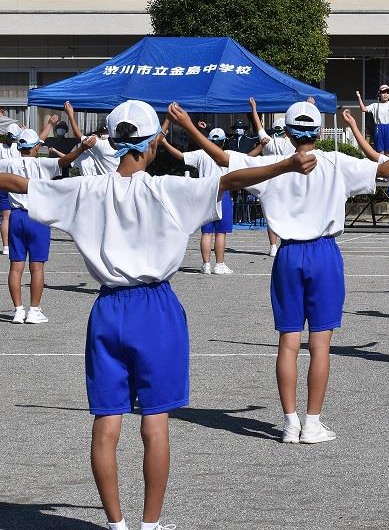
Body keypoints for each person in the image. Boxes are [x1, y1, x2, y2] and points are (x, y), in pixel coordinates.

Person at [0, 99, 314, 530]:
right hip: (157, 308)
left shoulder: (84, 189)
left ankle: (115, 523)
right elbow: (230, 180)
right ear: (151, 144)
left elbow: (17, 183)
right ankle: (150, 524)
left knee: (106, 420)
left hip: (108, 308)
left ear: (113, 142)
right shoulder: (168, 188)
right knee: (155, 422)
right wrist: (286, 167)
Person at [172, 100, 389, 444]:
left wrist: (189, 126)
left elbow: (223, 159)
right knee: (320, 344)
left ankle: (289, 422)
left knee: (288, 342)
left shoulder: (272, 166)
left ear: (289, 134)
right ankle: (312, 423)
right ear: (320, 132)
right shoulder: (335, 162)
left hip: (287, 253)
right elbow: (384, 171)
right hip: (324, 254)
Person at [3, 121, 93, 324]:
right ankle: (34, 311)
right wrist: (84, 147)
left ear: (19, 147)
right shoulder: (43, 163)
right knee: (37, 267)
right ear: (35, 147)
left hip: (16, 216)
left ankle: (18, 311)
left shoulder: (7, 163)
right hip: (38, 215)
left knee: (15, 267)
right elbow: (66, 161)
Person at [158, 125, 240, 275]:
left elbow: (180, 156)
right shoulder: (227, 154)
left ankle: (206, 264)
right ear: (223, 142)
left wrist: (164, 142)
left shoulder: (201, 154)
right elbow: (250, 158)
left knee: (206, 233)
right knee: (221, 233)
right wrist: (261, 145)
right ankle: (219, 264)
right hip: (223, 193)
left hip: (204, 195)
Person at [250, 96, 294, 257]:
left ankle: (273, 246)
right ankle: (286, 241)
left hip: (269, 181)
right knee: (287, 213)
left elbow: (258, 125)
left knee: (271, 215)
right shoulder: (291, 143)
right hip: (287, 181)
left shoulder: (267, 142)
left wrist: (254, 108)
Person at [357, 85, 389, 156]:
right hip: (379, 127)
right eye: (383, 92)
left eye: (387, 92)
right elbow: (364, 109)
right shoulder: (375, 105)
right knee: (380, 152)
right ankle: (380, 166)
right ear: (379, 94)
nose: (385, 94)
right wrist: (359, 98)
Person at [0, 121, 21, 256]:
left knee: (7, 216)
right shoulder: (18, 147)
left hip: (7, 182)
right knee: (8, 216)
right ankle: (8, 245)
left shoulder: (13, 147)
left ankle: (8, 245)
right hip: (11, 182)